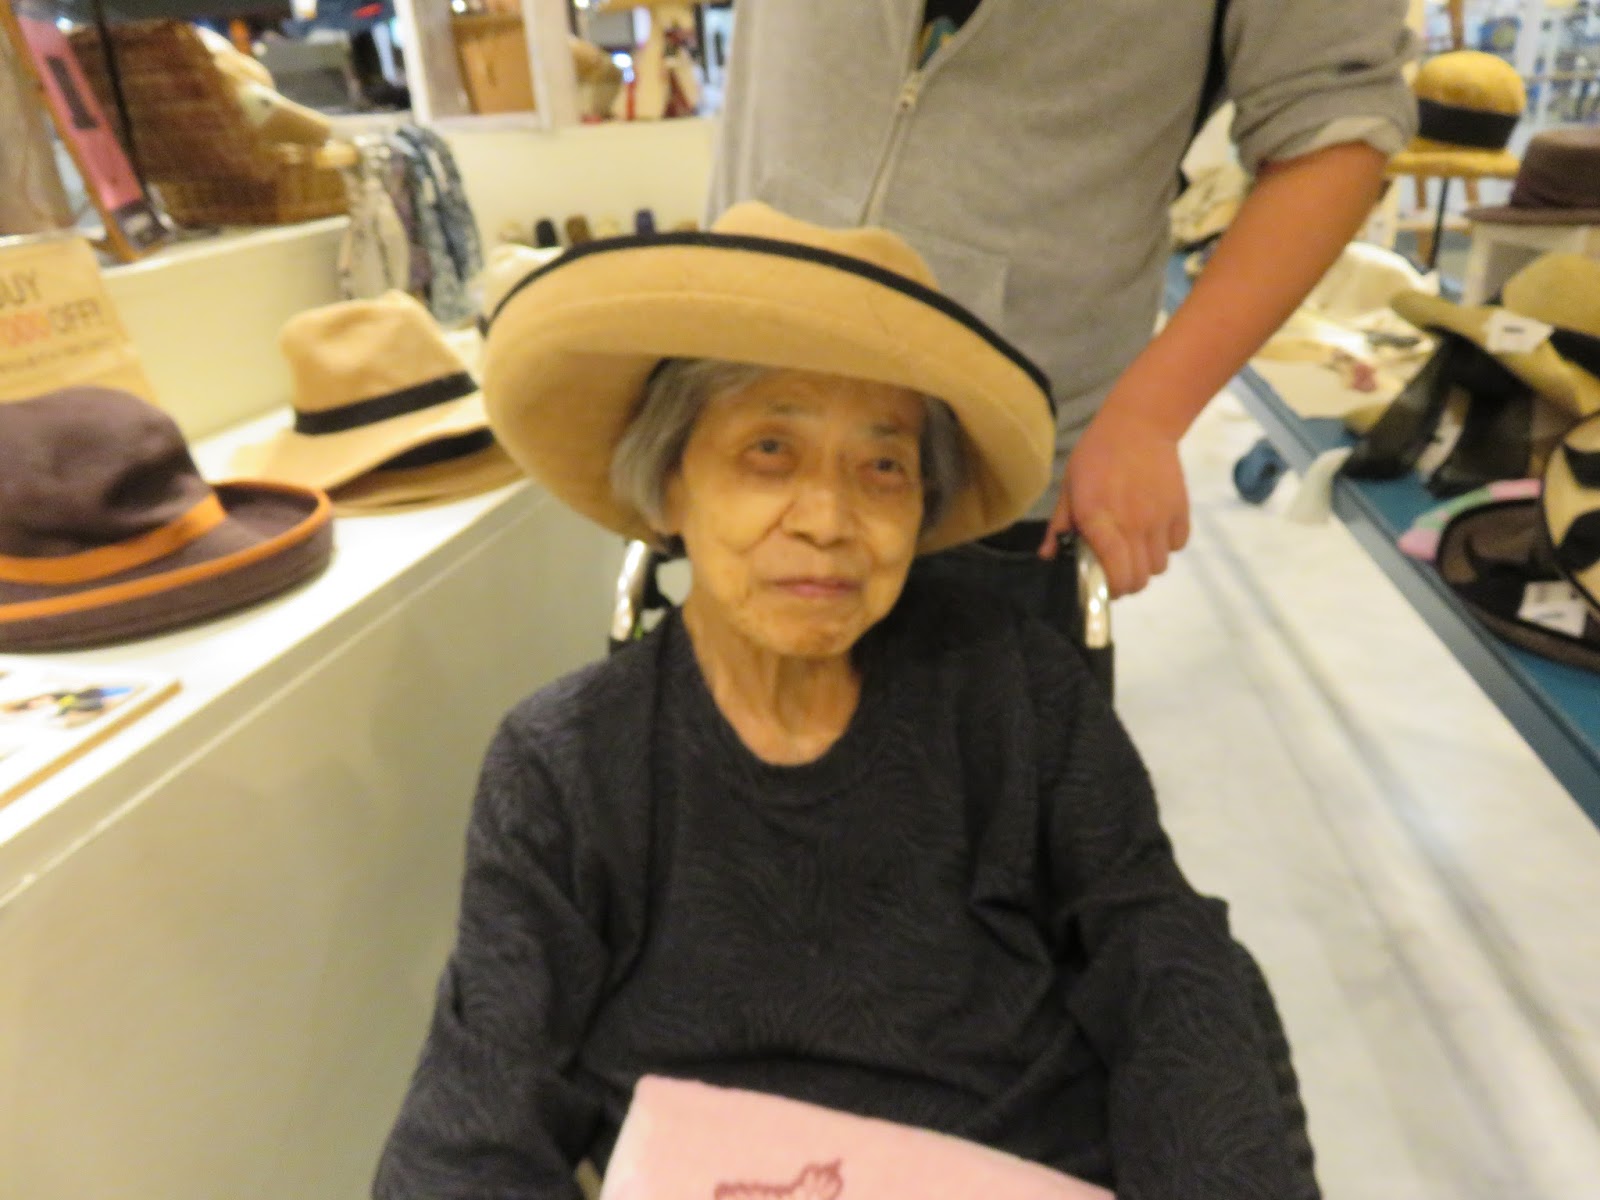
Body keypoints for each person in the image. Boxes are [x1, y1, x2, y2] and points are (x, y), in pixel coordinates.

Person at [373, 204, 1316, 1199]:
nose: (827, 520)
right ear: (669, 486)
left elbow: (1158, 948)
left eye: (882, 467)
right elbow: (479, 1106)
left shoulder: (1014, 690)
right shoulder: (564, 764)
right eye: (768, 451)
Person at [706, 0, 1419, 596]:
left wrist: (1148, 417)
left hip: (994, 458)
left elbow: (1335, 120)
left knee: (985, 717)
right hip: (738, 394)